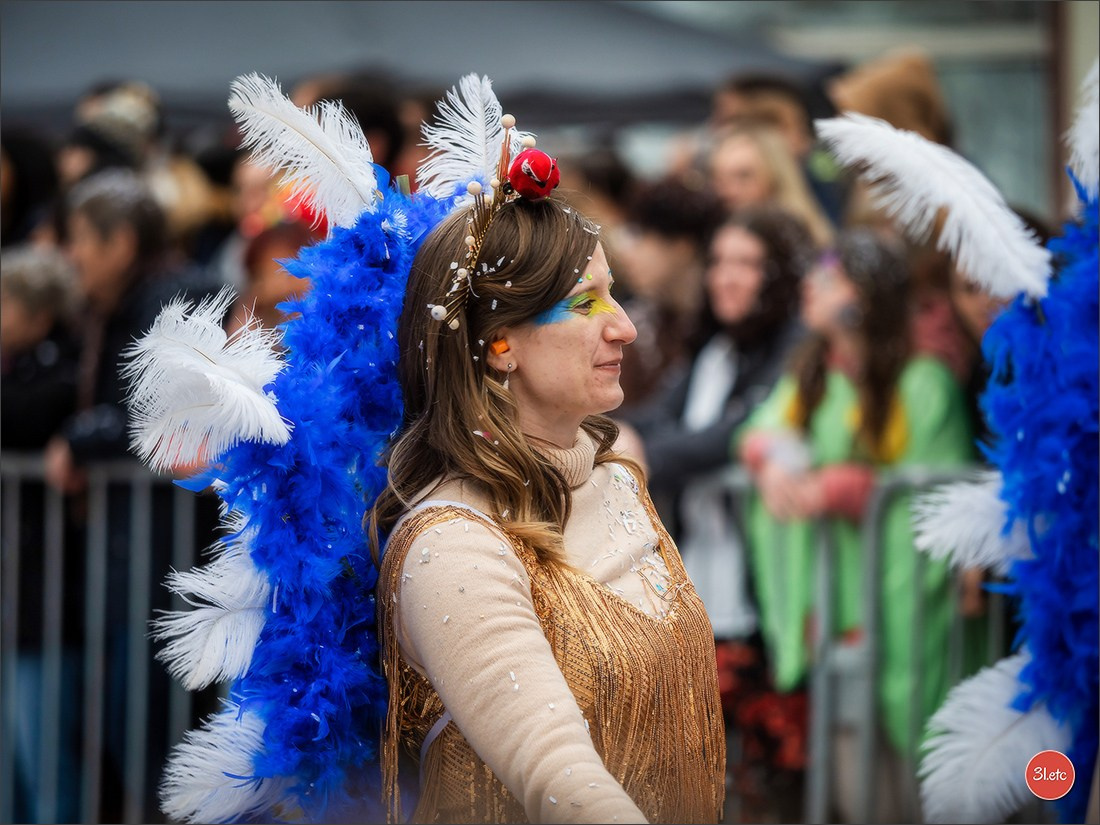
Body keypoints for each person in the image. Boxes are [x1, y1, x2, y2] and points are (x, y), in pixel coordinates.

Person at [369, 162, 726, 824]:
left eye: (614, 295)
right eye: (586, 303)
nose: (625, 327)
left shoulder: (618, 480)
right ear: (499, 343)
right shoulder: (452, 545)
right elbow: (559, 776)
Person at [734, 228, 982, 822]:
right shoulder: (816, 373)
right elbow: (760, 431)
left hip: (907, 609)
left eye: (830, 277)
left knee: (918, 772)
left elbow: (941, 493)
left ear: (866, 298)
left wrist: (860, 490)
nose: (811, 287)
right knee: (852, 777)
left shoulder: (923, 381)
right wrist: (768, 461)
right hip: (840, 602)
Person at [614, 176, 725, 407]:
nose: (629, 255)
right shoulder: (639, 324)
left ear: (683, 247)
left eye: (643, 237)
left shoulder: (723, 326)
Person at [707, 123, 835, 250]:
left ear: (776, 178)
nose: (728, 191)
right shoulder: (709, 238)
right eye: (719, 179)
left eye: (744, 176)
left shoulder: (812, 247)